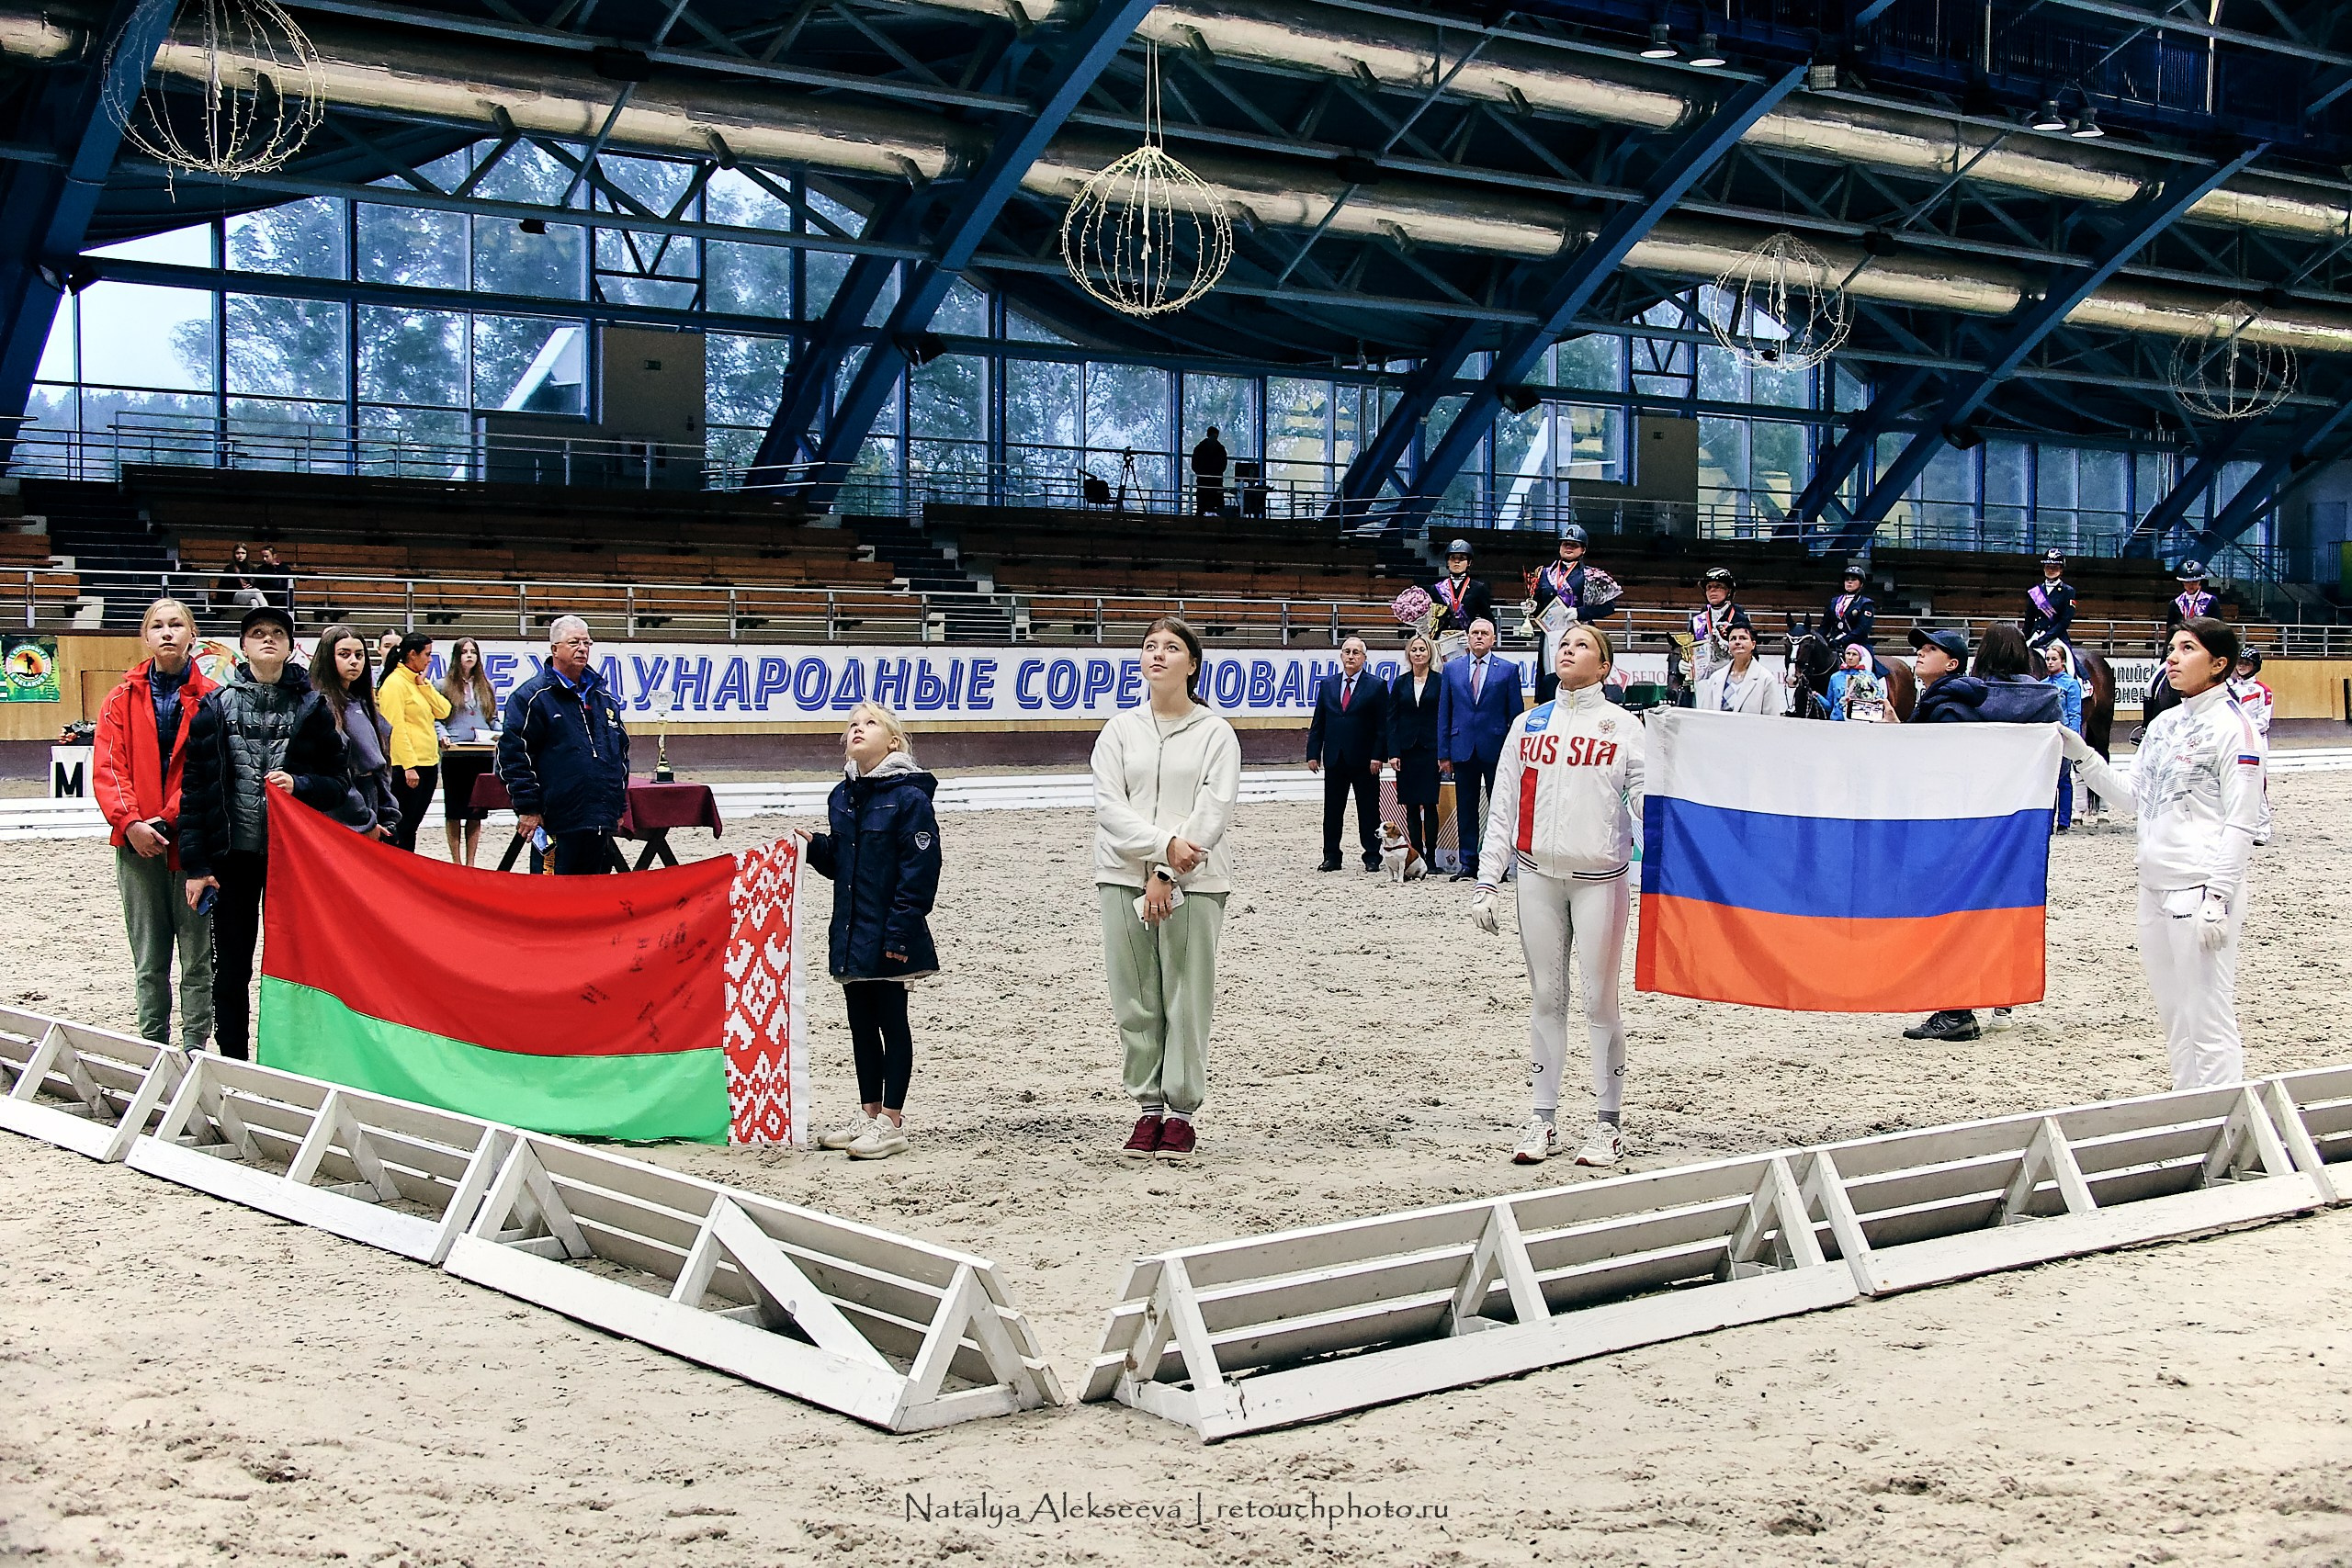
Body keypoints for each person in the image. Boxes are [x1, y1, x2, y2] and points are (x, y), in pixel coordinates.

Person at [2060, 617, 2266, 1091]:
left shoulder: (2237, 729)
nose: (2171, 657)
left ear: (2219, 664)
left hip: (2200, 888)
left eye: (2186, 649)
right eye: (2170, 647)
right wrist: (2085, 757)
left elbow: (2241, 820)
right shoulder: (2165, 724)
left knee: (2208, 1015)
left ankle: (2223, 1125)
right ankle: (2188, 1114)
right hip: (2153, 885)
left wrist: (2219, 895)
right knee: (2175, 1016)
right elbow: (2135, 799)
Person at [1470, 622, 1645, 1168]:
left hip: (1601, 881)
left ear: (1605, 665)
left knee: (1599, 1001)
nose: (1568, 650)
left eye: (1582, 645)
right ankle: (1542, 1119)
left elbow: (1644, 801)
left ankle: (1607, 1125)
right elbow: (1501, 808)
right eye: (1563, 644)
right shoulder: (1528, 725)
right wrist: (1487, 880)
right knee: (1547, 998)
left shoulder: (1624, 727)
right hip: (1536, 879)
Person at [1092, 616, 1240, 1164]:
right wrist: (1161, 845)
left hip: (1195, 879)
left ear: (1192, 664)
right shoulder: (1119, 731)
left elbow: (1214, 809)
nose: (1157, 655)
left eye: (1171, 647)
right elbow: (1109, 806)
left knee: (1184, 992)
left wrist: (1171, 869)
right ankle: (1147, 1106)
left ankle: (1180, 1111)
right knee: (1134, 995)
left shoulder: (1216, 733)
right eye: (1150, 646)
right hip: (1121, 873)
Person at [178, 604, 349, 1061]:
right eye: (258, 632)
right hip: (231, 858)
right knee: (231, 967)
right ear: (244, 646)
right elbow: (194, 793)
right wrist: (196, 865)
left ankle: (296, 1056)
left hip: (291, 863)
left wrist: (302, 784)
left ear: (292, 646)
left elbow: (340, 784)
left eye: (278, 632)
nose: (268, 639)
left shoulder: (313, 708)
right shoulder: (213, 707)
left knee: (297, 964)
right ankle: (232, 1056)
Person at [1902, 625, 2062, 1043]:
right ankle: (2002, 997)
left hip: (1967, 819)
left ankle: (1956, 1008)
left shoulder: (1965, 700)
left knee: (1958, 911)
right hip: (2022, 821)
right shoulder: (2046, 703)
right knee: (2008, 906)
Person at [804, 704, 941, 1162]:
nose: (858, 729)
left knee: (890, 1019)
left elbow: (919, 871)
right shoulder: (840, 797)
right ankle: (869, 1112)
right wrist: (815, 849)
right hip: (851, 930)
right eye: (852, 725)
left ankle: (893, 1120)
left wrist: (899, 934)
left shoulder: (910, 798)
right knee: (861, 1024)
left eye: (870, 723)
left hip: (890, 930)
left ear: (894, 742)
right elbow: (844, 863)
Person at [93, 597, 220, 1054]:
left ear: (192, 634)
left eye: (176, 625)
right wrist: (130, 824)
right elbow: (109, 766)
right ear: (145, 637)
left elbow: (207, 771)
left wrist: (165, 820)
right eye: (158, 626)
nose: (167, 633)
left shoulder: (212, 700)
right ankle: (153, 1049)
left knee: (197, 958)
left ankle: (194, 1048)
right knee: (149, 959)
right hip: (136, 847)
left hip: (192, 846)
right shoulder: (118, 700)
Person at [498, 615, 630, 876]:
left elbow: (620, 754)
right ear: (555, 649)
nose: (582, 648)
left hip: (597, 819)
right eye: (574, 642)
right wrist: (528, 808)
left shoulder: (604, 698)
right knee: (549, 897)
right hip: (554, 820)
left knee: (594, 896)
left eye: (587, 642)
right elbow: (513, 754)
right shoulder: (532, 697)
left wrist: (616, 806)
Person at [1436, 616, 1523, 881]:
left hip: (1496, 749)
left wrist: (1516, 752)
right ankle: (1468, 863)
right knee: (1466, 808)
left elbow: (1516, 715)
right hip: (1462, 748)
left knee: (1501, 808)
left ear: (1493, 639)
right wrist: (1443, 753)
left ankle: (1500, 864)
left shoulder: (1507, 670)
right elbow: (1444, 712)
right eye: (1474, 632)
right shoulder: (1452, 669)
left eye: (1484, 633)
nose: (1479, 637)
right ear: (1468, 637)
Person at [309, 624, 401, 841]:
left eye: (359, 655)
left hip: (371, 798)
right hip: (342, 806)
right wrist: (363, 820)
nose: (354, 661)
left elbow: (381, 765)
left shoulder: (364, 703)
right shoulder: (321, 706)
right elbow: (333, 771)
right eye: (344, 654)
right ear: (328, 658)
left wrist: (388, 812)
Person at [1306, 636, 1388, 873]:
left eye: (1356, 652)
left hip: (1365, 760)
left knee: (1368, 810)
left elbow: (1383, 725)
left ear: (1364, 658)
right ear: (1341, 655)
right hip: (1335, 758)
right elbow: (1319, 720)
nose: (1351, 656)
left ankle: (1372, 856)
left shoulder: (1376, 685)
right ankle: (1332, 856)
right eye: (1347, 651)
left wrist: (1378, 755)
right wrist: (1313, 752)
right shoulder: (1328, 684)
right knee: (1332, 811)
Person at [1525, 525, 1620, 703]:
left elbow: (1609, 606)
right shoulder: (1544, 573)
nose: (1568, 548)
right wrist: (1531, 607)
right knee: (1551, 674)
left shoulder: (1592, 574)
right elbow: (1539, 604)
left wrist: (1580, 612)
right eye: (1565, 544)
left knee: (1580, 672)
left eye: (1574, 545)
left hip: (1580, 631)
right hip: (1551, 634)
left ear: (1583, 549)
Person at [379, 632, 451, 854]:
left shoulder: (416, 681)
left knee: (412, 826)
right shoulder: (394, 684)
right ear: (412, 654)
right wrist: (408, 766)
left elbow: (444, 710)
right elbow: (395, 728)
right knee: (402, 826)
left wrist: (424, 686)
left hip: (428, 763)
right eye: (427, 654)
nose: (430, 660)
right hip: (408, 767)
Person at [437, 637, 501, 866]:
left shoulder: (487, 686)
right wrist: (441, 735)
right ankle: (456, 860)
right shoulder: (442, 685)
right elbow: (437, 718)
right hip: (455, 751)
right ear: (457, 656)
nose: (469, 656)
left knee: (476, 810)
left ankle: (471, 861)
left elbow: (493, 719)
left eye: (473, 651)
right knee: (454, 809)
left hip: (481, 752)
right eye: (464, 652)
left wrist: (500, 734)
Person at [1385, 633, 1444, 872]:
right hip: (1407, 750)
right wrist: (1393, 752)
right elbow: (1392, 718)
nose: (1418, 653)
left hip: (1431, 749)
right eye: (1414, 650)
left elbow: (1445, 716)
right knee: (1411, 805)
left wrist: (1444, 752)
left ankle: (1431, 857)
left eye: (1422, 649)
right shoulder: (1400, 682)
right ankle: (1416, 854)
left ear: (1430, 653)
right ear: (1408, 654)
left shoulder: (1441, 681)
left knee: (1430, 804)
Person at [2226, 648, 2274, 846]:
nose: (2242, 666)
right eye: (2240, 662)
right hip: (2231, 740)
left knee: (2255, 784)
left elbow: (2264, 720)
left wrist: (2242, 728)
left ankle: (2262, 830)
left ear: (2255, 667)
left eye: (2247, 663)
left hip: (2254, 740)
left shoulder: (2263, 690)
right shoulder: (2228, 688)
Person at [2042, 639, 2086, 831]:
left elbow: (2075, 712)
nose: (2050, 662)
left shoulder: (2071, 685)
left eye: (2054, 659)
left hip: (2064, 734)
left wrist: (2073, 737)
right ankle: (2048, 820)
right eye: (2047, 659)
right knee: (2048, 780)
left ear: (2063, 662)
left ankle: (2064, 822)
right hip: (2047, 736)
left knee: (2063, 779)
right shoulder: (2042, 684)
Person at [1694, 623, 1780, 714]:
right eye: (1733, 639)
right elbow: (1705, 716)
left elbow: (1772, 720)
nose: (1737, 642)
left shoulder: (1766, 679)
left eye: (1743, 638)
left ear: (1753, 644)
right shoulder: (1715, 678)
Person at [1687, 567, 1753, 685]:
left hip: (1734, 681)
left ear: (1728, 591)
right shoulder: (1697, 621)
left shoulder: (1739, 619)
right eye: (1709, 587)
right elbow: (1689, 651)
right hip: (1704, 682)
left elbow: (1753, 654)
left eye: (1718, 586)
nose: (1712, 591)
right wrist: (1685, 663)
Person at [1430, 538, 1495, 636]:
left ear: (1469, 562)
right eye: (1453, 558)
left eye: (1461, 558)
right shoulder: (1436, 589)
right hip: (1441, 638)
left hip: (1467, 638)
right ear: (1448, 562)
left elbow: (1487, 618)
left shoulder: (1478, 588)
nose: (1457, 561)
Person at [1823, 560, 1877, 669]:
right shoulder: (1835, 602)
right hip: (1834, 642)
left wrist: (1842, 641)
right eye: (1847, 580)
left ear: (1861, 584)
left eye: (1853, 580)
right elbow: (1825, 626)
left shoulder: (1865, 604)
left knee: (1866, 668)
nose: (1849, 582)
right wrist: (1820, 639)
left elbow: (1861, 629)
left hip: (1858, 644)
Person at [2024, 548, 2076, 654]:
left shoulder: (2068, 591)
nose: (2051, 570)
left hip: (2057, 638)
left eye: (2055, 567)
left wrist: (2044, 639)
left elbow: (2064, 622)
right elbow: (2029, 620)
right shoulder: (2036, 591)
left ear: (2061, 570)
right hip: (2036, 636)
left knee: (2071, 666)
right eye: (2048, 567)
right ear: (2044, 568)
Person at [1827, 643, 1886, 722]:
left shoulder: (1869, 676)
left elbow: (1879, 698)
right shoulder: (1835, 677)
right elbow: (1829, 705)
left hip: (1861, 720)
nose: (1850, 657)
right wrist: (1817, 696)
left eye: (1854, 654)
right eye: (1848, 654)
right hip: (1838, 721)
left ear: (1860, 658)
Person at [213, 545, 267, 614]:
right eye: (238, 553)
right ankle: (268, 613)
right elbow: (224, 587)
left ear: (247, 554)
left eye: (243, 553)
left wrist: (250, 586)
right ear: (234, 554)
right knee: (256, 592)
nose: (240, 555)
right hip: (233, 596)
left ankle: (254, 621)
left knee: (254, 602)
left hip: (248, 594)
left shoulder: (251, 568)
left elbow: (256, 583)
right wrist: (240, 587)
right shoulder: (230, 568)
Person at [1190, 426, 1228, 515]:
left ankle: (1200, 518)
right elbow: (1223, 465)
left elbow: (1194, 464)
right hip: (1216, 481)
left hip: (1203, 480)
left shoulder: (1199, 448)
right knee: (1218, 505)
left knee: (1201, 503)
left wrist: (1200, 473)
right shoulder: (1220, 449)